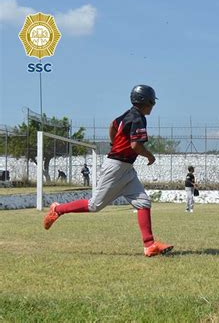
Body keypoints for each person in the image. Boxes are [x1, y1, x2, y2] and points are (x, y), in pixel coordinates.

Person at [43, 84, 173, 257]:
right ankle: (57, 209)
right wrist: (150, 156)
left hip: (126, 168)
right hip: (116, 167)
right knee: (94, 205)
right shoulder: (138, 118)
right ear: (145, 101)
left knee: (143, 203)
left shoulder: (127, 115)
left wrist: (114, 143)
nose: (153, 106)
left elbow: (112, 125)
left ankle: (149, 245)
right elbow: (136, 145)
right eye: (152, 102)